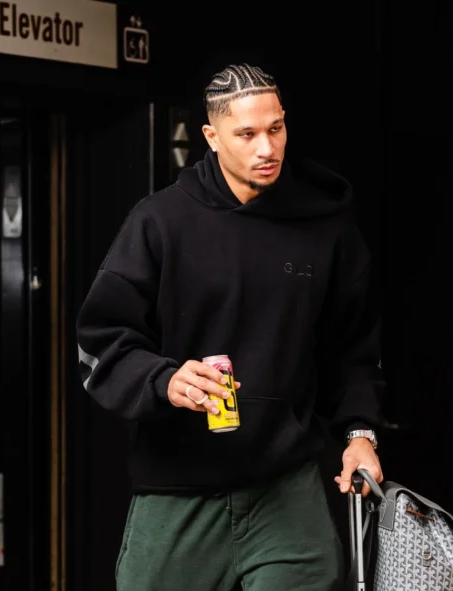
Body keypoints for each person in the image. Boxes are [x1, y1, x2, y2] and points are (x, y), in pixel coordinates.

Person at [76, 63, 386, 591]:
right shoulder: (160, 222)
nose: (266, 147)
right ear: (212, 137)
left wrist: (360, 434)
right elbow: (102, 340)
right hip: (180, 490)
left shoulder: (323, 225)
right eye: (246, 134)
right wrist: (164, 381)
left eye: (276, 128)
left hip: (286, 488)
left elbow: (352, 345)